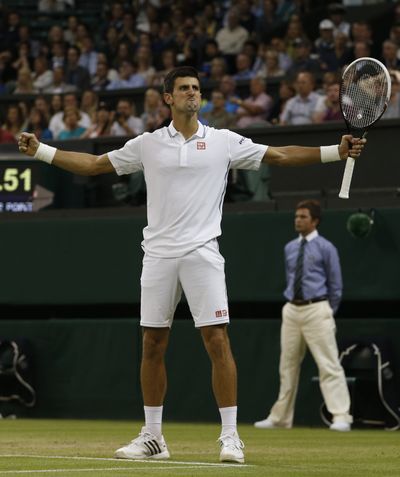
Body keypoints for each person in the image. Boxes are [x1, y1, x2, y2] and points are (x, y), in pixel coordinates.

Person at [18, 66, 365, 463]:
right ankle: (152, 437)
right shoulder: (147, 144)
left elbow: (281, 154)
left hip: (202, 253)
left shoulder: (223, 141)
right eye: (183, 88)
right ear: (167, 97)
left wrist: (335, 152)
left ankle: (231, 437)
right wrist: (42, 151)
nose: (191, 94)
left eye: (196, 88)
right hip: (159, 256)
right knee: (152, 344)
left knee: (217, 341)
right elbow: (95, 164)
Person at [254, 200, 353, 432]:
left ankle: (341, 416)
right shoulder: (289, 248)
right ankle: (280, 418)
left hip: (317, 308)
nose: (298, 220)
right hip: (291, 309)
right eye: (296, 216)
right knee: (286, 365)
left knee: (328, 364)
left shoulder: (326, 248)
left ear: (315, 220)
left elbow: (336, 285)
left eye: (303, 216)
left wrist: (327, 311)